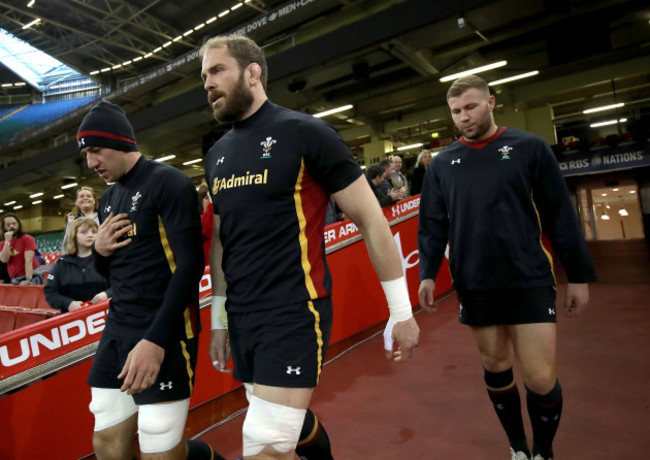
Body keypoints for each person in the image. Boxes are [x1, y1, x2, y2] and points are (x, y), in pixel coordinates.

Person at [200, 35, 419, 460]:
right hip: (243, 316)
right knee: (288, 428)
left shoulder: (306, 133)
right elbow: (223, 243)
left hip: (294, 311)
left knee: (264, 445)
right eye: (204, 76)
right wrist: (221, 317)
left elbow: (372, 221)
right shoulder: (218, 155)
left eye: (217, 71)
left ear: (253, 72)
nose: (207, 83)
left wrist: (402, 313)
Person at [417, 75, 597, 460]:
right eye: (456, 111)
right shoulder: (442, 164)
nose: (464, 117)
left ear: (491, 102)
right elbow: (432, 224)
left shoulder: (529, 147)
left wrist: (578, 276)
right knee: (496, 367)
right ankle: (517, 447)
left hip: (528, 276)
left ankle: (543, 450)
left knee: (540, 378)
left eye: (471, 106)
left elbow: (558, 214)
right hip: (475, 281)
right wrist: (427, 273)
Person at [77, 100, 223, 460]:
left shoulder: (168, 182)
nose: (91, 163)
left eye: (96, 151)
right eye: (86, 155)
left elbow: (190, 267)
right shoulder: (109, 198)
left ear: (122, 142)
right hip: (118, 328)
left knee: (158, 443)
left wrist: (155, 341)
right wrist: (99, 251)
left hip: (166, 330)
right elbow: (111, 271)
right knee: (106, 443)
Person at [44, 217, 112, 313]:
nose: (90, 235)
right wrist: (68, 303)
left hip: (105, 317)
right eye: (84, 232)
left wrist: (107, 294)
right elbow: (50, 293)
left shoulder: (107, 259)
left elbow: (122, 285)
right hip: (72, 320)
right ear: (74, 235)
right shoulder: (62, 264)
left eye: (94, 232)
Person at [0, 213, 43, 285]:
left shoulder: (27, 238)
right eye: (8, 224)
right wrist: (7, 241)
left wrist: (29, 280)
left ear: (18, 225)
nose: (12, 226)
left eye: (14, 223)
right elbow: (4, 260)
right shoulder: (2, 244)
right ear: (4, 228)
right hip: (15, 278)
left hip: (33, 274)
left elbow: (29, 261)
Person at [61, 186, 100, 253]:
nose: (85, 198)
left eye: (89, 196)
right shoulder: (72, 220)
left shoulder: (102, 216)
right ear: (76, 202)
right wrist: (71, 226)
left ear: (94, 201)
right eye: (81, 196)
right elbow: (67, 244)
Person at [197, 182, 213, 266]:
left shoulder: (212, 215)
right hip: (208, 265)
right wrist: (208, 208)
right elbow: (207, 232)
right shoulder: (200, 218)